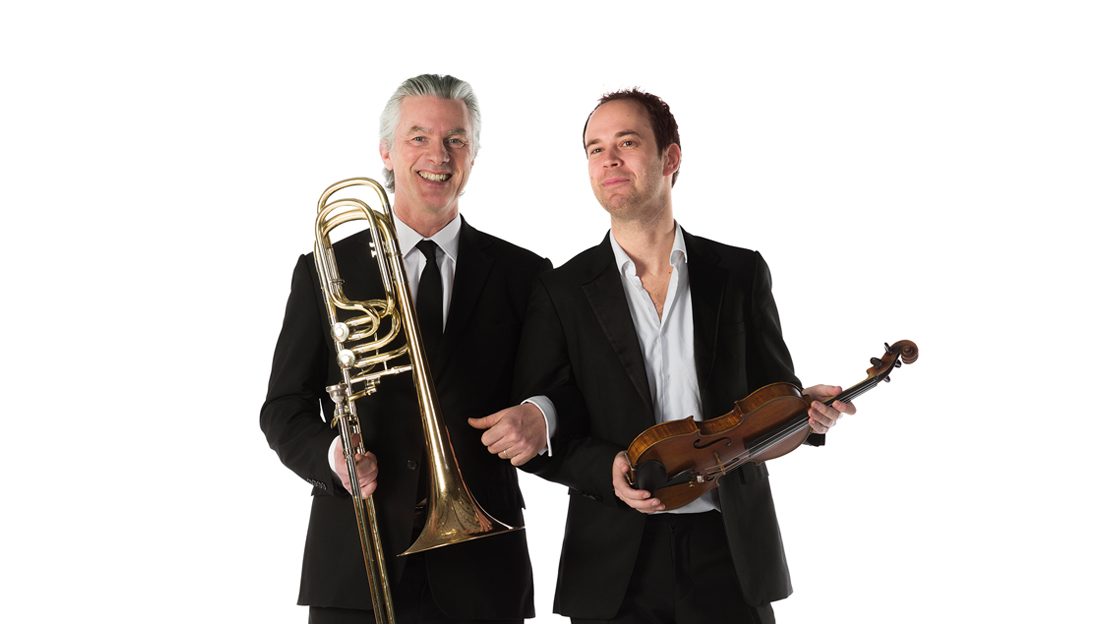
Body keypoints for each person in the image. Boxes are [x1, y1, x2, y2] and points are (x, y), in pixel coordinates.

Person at [508, 89, 857, 624]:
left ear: (670, 157)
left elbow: (772, 396)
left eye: (627, 143)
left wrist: (805, 412)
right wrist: (605, 469)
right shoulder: (561, 290)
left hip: (730, 549)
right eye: (595, 148)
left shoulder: (739, 273)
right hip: (613, 562)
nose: (609, 160)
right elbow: (541, 432)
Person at [260, 73, 551, 624]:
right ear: (386, 151)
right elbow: (283, 408)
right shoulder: (325, 268)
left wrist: (540, 414)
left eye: (456, 140)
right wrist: (333, 456)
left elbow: (553, 390)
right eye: (419, 137)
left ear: (474, 155)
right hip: (356, 562)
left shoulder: (525, 275)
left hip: (482, 568)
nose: (438, 155)